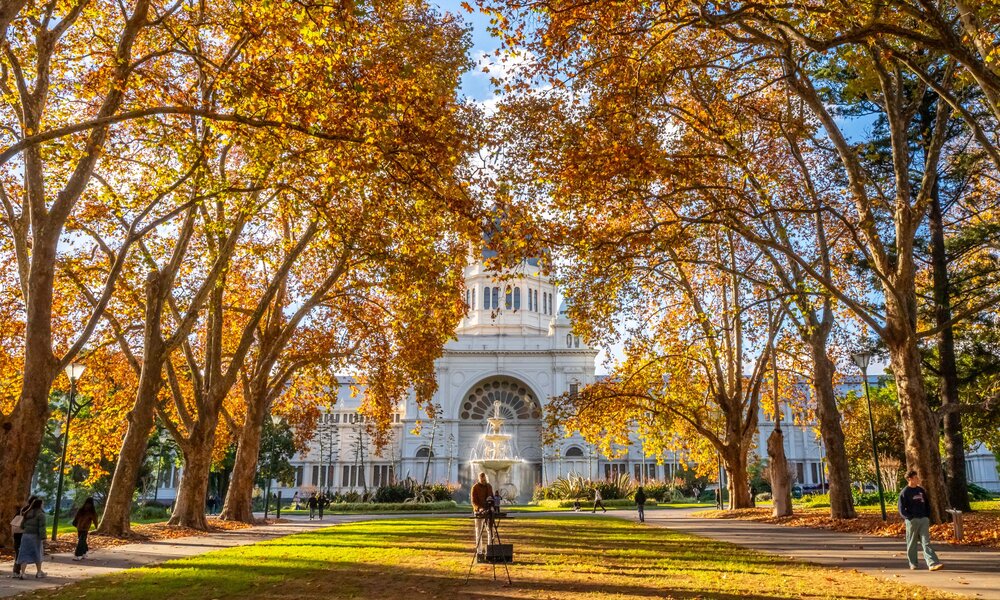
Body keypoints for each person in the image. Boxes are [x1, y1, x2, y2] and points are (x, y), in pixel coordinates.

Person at [899, 470, 943, 571]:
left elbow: (927, 504)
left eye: (917, 477)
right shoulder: (905, 492)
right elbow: (901, 509)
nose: (918, 479)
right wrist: (909, 517)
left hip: (923, 519)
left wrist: (927, 516)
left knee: (926, 541)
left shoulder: (921, 490)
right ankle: (913, 563)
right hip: (912, 520)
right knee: (912, 542)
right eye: (915, 478)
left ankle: (932, 563)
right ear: (909, 479)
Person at [15, 497, 46, 579]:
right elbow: (42, 527)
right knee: (37, 553)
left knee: (24, 553)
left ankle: (23, 573)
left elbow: (22, 526)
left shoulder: (26, 513)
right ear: (40, 505)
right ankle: (39, 572)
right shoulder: (41, 514)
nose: (43, 505)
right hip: (35, 536)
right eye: (43, 504)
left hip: (25, 536)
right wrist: (43, 537)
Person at [11, 496, 36, 578]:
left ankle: (16, 570)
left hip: (17, 533)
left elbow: (14, 521)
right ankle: (19, 571)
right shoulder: (32, 512)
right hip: (24, 534)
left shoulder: (22, 510)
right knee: (22, 553)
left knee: (18, 552)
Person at [470, 472, 494, 548]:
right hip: (478, 511)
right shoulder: (475, 487)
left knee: (490, 530)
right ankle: (479, 551)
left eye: (484, 480)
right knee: (478, 531)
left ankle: (490, 549)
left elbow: (492, 497)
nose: (484, 482)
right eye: (482, 480)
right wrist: (479, 508)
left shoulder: (489, 486)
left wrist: (492, 506)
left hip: (488, 511)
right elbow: (473, 502)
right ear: (479, 479)